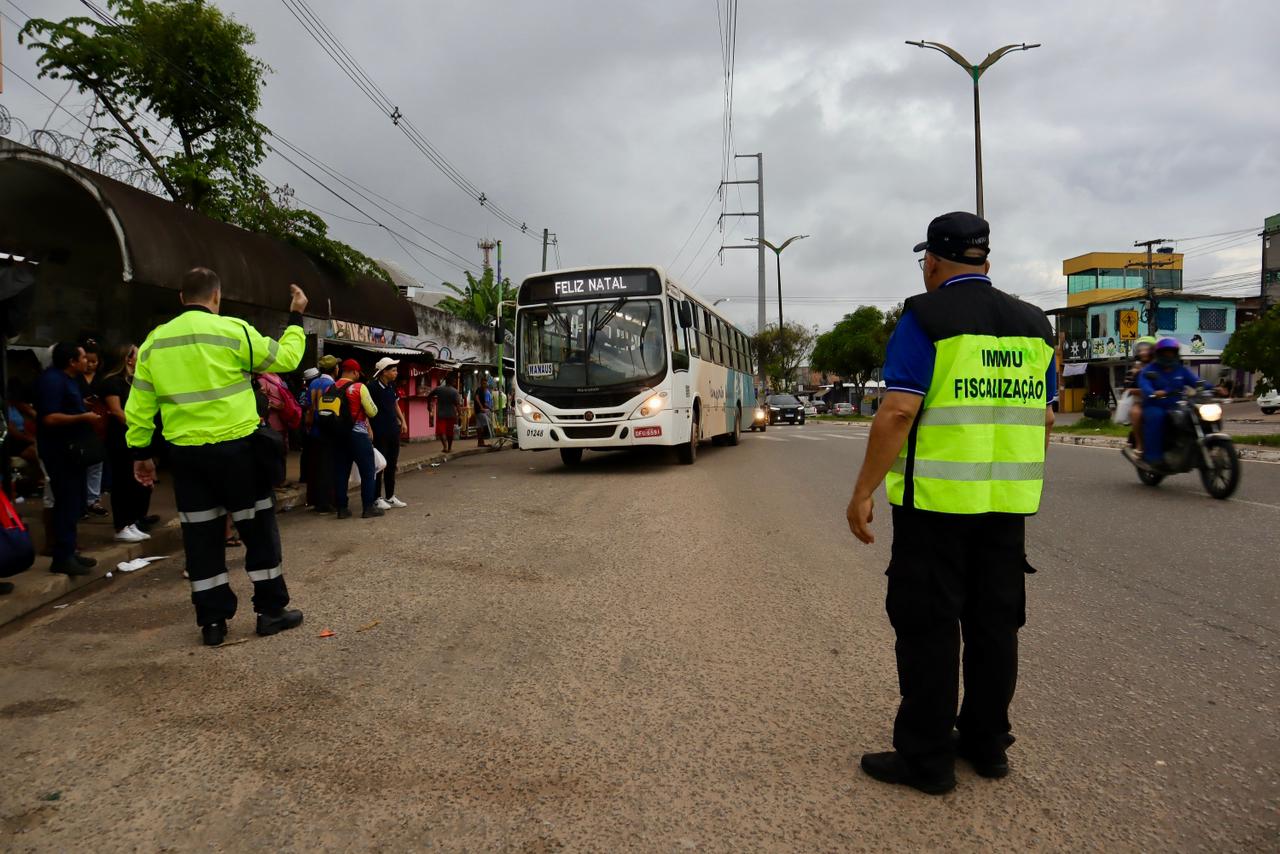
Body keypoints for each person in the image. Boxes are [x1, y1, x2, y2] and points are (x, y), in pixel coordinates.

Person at [845, 212, 1056, 795]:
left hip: (935, 508)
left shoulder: (925, 317)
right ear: (985, 260)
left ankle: (927, 760)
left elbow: (897, 411)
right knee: (995, 627)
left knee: (928, 628)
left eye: (926, 261)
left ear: (933, 261)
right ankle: (987, 745)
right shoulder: (1035, 325)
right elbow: (1044, 418)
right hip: (1005, 507)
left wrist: (863, 491)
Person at [126, 267, 307, 647]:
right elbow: (289, 358)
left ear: (182, 298)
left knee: (201, 538)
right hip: (238, 451)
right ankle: (270, 612)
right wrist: (295, 316)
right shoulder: (233, 331)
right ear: (216, 297)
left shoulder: (154, 343)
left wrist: (141, 452)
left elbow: (139, 405)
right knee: (258, 531)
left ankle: (212, 623)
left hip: (186, 458)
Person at [35, 342, 102, 576]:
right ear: (72, 361)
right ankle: (62, 557)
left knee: (74, 502)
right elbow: (50, 418)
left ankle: (70, 551)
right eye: (82, 358)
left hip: (73, 451)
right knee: (65, 502)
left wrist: (82, 408)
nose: (86, 361)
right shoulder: (52, 380)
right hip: (59, 451)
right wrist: (83, 417)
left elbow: (68, 406)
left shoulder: (70, 379)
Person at [97, 344, 154, 543]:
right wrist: (138, 426)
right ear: (128, 359)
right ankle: (121, 525)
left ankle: (131, 522)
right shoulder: (112, 382)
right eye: (137, 355)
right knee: (122, 482)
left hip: (133, 437)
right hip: (119, 438)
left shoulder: (132, 381)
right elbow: (116, 411)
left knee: (133, 483)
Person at [1137, 337, 1207, 467]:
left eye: (1171, 352)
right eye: (1165, 352)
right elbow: (1144, 384)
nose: (1169, 355)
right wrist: (1153, 392)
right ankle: (1153, 457)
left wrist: (1215, 388)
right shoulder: (1149, 370)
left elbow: (1196, 382)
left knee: (1194, 416)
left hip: (1176, 405)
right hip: (1156, 404)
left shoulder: (1181, 369)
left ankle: (1191, 448)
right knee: (1156, 417)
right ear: (1159, 354)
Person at [329, 358, 382, 519]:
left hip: (338, 435)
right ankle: (368, 507)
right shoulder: (359, 387)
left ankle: (342, 509)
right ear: (354, 372)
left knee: (341, 472)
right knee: (368, 471)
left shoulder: (332, 387)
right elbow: (372, 412)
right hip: (358, 434)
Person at [370, 357, 408, 509]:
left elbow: (395, 404)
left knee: (392, 464)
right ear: (384, 372)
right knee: (380, 465)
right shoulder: (372, 387)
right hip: (379, 432)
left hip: (393, 430)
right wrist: (369, 428)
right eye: (393, 370)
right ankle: (376, 497)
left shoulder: (391, 386)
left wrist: (403, 421)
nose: (396, 373)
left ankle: (390, 496)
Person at [305, 356, 339, 512]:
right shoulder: (332, 385)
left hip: (313, 431)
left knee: (315, 467)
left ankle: (315, 500)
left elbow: (308, 407)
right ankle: (325, 503)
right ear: (334, 369)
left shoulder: (313, 383)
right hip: (327, 431)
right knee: (327, 468)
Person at [79, 339, 108, 517]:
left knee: (97, 462)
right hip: (78, 422)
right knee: (80, 463)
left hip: (99, 423)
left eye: (94, 361)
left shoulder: (102, 378)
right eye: (87, 360)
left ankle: (93, 500)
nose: (90, 365)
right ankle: (80, 502)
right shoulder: (75, 377)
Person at [1121, 336, 1157, 453]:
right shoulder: (1135, 369)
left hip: (1162, 400)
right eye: (1141, 349)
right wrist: (1135, 389)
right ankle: (1140, 445)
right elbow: (1127, 387)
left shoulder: (1161, 366)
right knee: (1136, 413)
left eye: (1147, 349)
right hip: (1142, 401)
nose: (1143, 352)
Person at [426, 374, 461, 454]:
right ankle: (449, 448)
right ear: (452, 382)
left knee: (441, 431)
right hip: (451, 414)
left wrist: (429, 405)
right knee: (450, 432)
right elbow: (457, 404)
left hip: (441, 414)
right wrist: (459, 414)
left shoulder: (439, 389)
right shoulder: (455, 391)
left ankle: (445, 446)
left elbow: (429, 395)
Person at [474, 375, 493, 448]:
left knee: (479, 427)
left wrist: (489, 408)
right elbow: (476, 398)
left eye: (485, 383)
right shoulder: (479, 389)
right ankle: (484, 438)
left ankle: (480, 442)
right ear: (481, 383)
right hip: (479, 411)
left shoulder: (484, 391)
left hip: (479, 411)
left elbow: (484, 402)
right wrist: (481, 407)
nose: (484, 385)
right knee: (488, 423)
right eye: (483, 383)